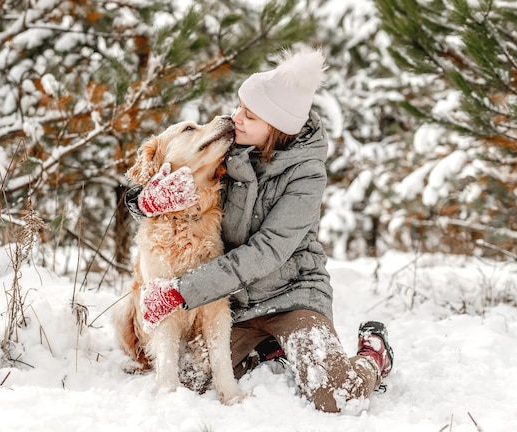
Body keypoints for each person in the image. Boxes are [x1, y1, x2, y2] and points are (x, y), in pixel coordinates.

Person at [126, 47, 394, 413]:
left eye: (248, 115)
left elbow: (266, 253)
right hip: (235, 304)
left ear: (276, 128)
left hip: (292, 296)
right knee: (193, 383)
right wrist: (143, 201)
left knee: (336, 395)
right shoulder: (230, 148)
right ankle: (267, 348)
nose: (234, 117)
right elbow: (168, 165)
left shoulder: (307, 176)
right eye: (239, 107)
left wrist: (181, 292)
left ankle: (372, 356)